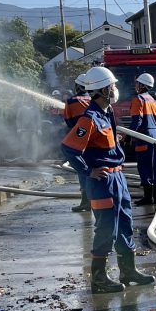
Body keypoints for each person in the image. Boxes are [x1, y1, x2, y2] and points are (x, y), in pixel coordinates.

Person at [61, 66, 155, 293]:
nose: (115, 89)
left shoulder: (107, 113)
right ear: (103, 90)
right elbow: (69, 149)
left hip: (118, 177)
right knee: (106, 229)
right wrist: (88, 171)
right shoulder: (90, 118)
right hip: (102, 182)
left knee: (124, 223)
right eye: (112, 86)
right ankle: (99, 278)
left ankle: (128, 271)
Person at [129, 73, 156, 206]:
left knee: (144, 167)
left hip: (143, 136)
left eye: (137, 83)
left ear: (142, 85)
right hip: (155, 135)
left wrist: (129, 136)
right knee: (155, 168)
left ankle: (148, 197)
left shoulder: (139, 99)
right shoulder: (153, 101)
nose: (135, 85)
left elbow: (137, 120)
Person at [63, 74, 93, 212]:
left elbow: (68, 122)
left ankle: (86, 202)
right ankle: (96, 199)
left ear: (78, 86)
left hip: (80, 141)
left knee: (83, 170)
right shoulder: (94, 100)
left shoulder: (71, 101)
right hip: (95, 140)